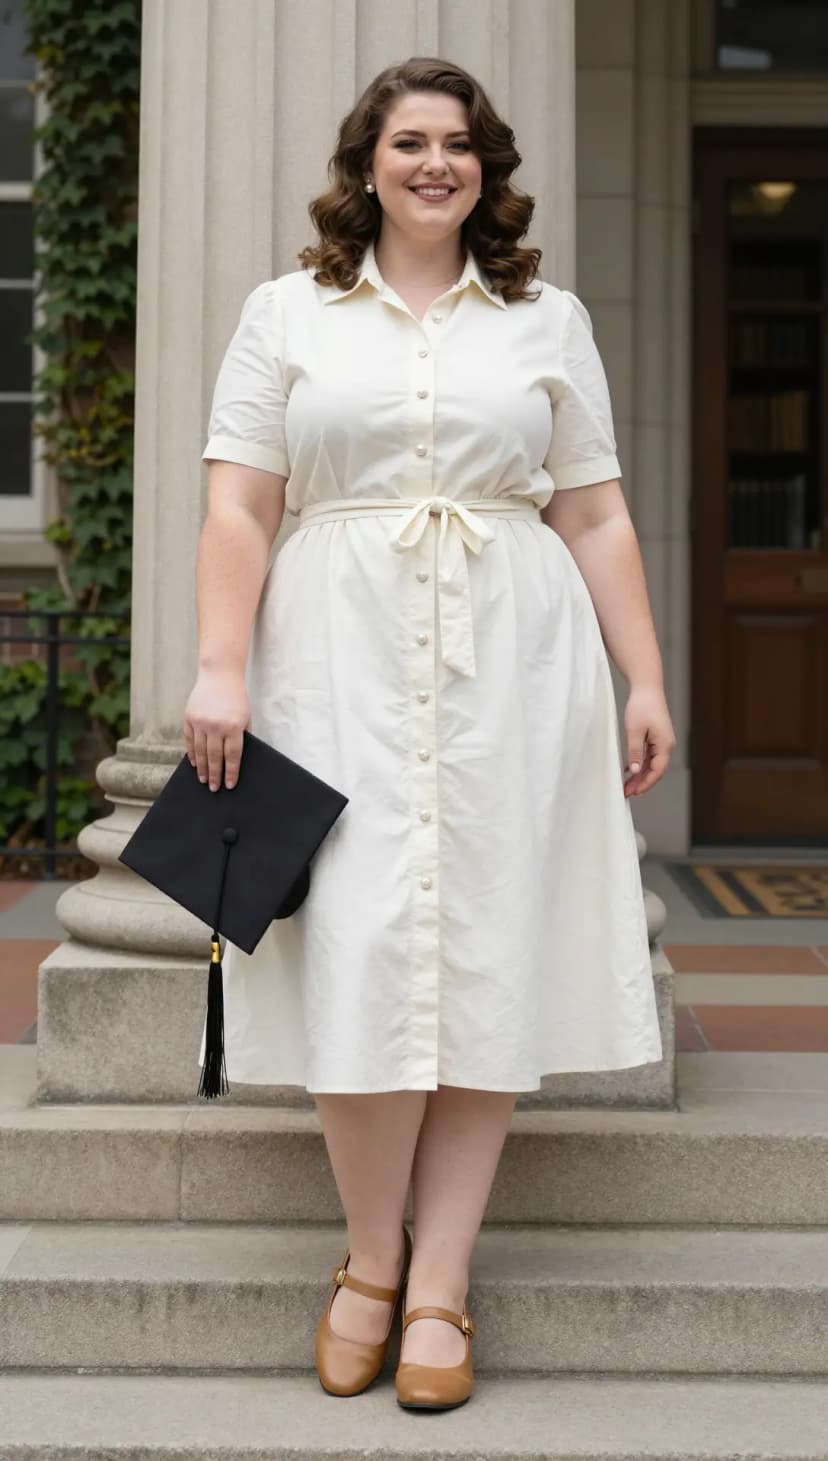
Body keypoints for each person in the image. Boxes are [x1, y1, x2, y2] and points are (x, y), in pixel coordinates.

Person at [184, 55, 674, 1412]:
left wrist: (643, 675)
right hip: (328, 659)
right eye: (409, 141)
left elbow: (594, 513)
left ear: (488, 168)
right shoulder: (286, 313)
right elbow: (239, 506)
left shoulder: (546, 317)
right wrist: (219, 670)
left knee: (482, 953)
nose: (434, 164)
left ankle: (444, 1275)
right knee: (361, 949)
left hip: (512, 663)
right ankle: (369, 1257)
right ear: (366, 162)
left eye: (458, 143)